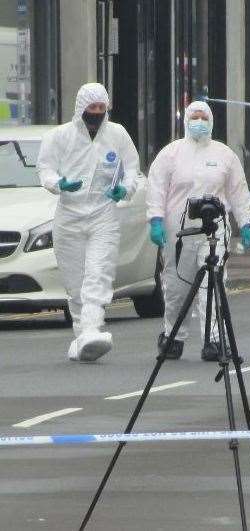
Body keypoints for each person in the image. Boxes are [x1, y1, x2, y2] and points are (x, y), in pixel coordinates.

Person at [37, 82, 139, 362]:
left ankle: (93, 329)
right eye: (91, 107)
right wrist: (59, 184)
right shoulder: (60, 136)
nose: (96, 112)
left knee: (98, 273)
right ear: (81, 108)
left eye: (101, 107)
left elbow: (132, 166)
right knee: (75, 283)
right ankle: (83, 337)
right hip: (69, 217)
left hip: (103, 215)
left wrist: (125, 189)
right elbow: (45, 168)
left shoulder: (117, 134)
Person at [146, 100, 250, 361]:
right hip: (179, 231)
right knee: (175, 287)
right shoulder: (170, 154)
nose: (199, 122)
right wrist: (155, 220)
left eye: (203, 117)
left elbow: (238, 191)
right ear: (185, 120)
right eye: (194, 117)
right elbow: (156, 188)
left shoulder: (224, 155)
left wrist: (246, 222)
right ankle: (173, 335)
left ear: (211, 121)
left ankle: (215, 339)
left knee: (213, 283)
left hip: (214, 230)